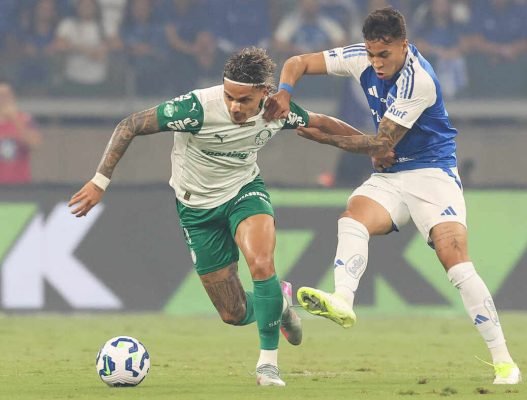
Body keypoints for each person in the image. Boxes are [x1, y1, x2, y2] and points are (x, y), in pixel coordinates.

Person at [68, 47, 374, 386]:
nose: (235, 106)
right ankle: (279, 304)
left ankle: (267, 366)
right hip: (196, 210)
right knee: (233, 312)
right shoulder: (196, 108)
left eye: (244, 100)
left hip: (244, 193)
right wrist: (99, 181)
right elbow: (131, 125)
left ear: (264, 93)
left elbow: (321, 123)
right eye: (230, 97)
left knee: (261, 264)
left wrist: (373, 146)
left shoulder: (276, 110)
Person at [263, 7, 521, 385]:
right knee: (353, 218)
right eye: (371, 54)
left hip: (432, 174)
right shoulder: (360, 57)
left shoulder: (419, 80)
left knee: (455, 260)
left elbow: (381, 144)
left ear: (404, 45)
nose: (376, 63)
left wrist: (322, 134)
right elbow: (296, 62)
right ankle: (343, 300)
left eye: (384, 54)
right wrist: (285, 93)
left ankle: (504, 363)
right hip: (392, 174)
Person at [0, 80, 42, 184]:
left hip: (19, 185)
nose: (2, 100)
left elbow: (34, 144)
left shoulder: (25, 119)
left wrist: (15, 120)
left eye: (6, 96)